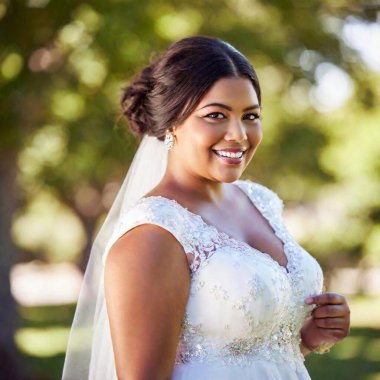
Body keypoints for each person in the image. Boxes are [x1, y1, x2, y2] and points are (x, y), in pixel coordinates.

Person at [62, 36, 350, 380]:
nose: (239, 134)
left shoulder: (261, 200)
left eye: (250, 116)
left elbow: (249, 356)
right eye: (216, 115)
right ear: (172, 123)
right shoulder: (153, 235)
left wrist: (306, 338)